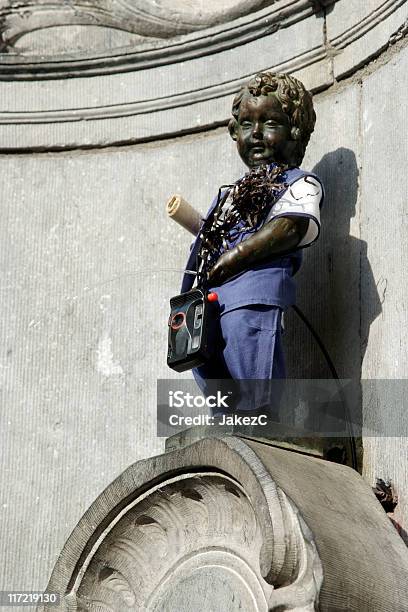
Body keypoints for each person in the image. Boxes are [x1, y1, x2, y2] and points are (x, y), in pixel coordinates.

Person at [180, 71, 324, 415]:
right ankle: (228, 425)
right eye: (246, 124)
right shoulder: (229, 194)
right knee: (206, 364)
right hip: (206, 300)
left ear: (296, 131)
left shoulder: (299, 182)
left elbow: (287, 228)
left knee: (250, 354)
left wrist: (233, 258)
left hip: (253, 294)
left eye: (270, 122)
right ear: (234, 133)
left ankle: (264, 425)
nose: (256, 135)